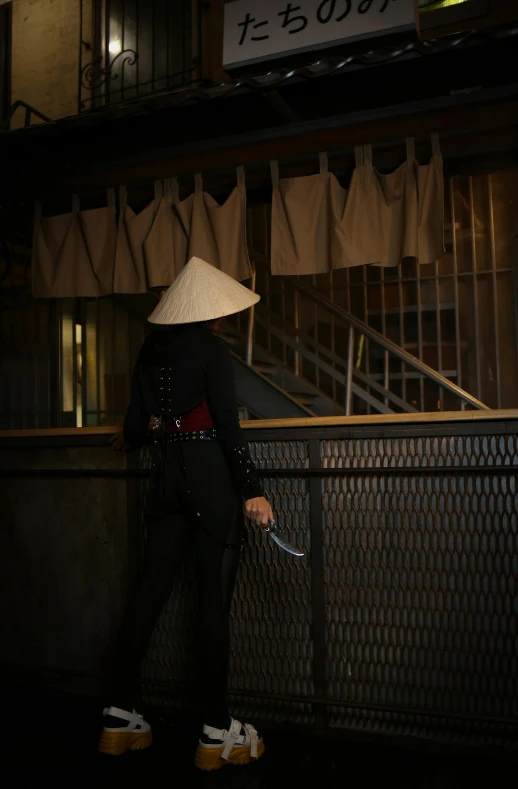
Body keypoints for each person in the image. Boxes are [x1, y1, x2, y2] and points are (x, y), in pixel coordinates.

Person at [99, 256, 273, 771]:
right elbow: (227, 427)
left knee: (147, 597)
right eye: (218, 310)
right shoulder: (213, 354)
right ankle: (216, 732)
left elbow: (135, 423)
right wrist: (254, 491)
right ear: (208, 313)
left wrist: (129, 439)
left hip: (166, 480)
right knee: (211, 607)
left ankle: (118, 715)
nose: (222, 317)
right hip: (211, 482)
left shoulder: (150, 350)